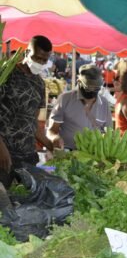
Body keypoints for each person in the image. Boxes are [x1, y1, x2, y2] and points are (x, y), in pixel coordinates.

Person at [0, 35, 54, 209]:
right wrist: (2, 149)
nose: (39, 62)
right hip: (4, 155)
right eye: (36, 57)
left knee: (23, 204)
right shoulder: (7, 75)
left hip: (27, 156)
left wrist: (50, 144)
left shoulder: (39, 84)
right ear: (26, 51)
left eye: (44, 60)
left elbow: (33, 122)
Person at [47, 64, 113, 150]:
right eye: (89, 88)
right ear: (79, 82)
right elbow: (51, 130)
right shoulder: (65, 99)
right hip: (68, 152)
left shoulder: (104, 103)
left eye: (96, 88)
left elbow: (109, 132)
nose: (93, 91)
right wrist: (55, 138)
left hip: (95, 155)